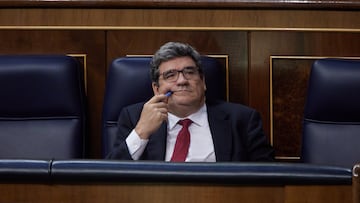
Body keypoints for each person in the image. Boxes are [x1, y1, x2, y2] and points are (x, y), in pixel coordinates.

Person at [107, 42, 274, 162]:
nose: (182, 81)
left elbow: (268, 177)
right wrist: (141, 131)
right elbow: (110, 175)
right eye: (170, 75)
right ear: (156, 89)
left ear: (203, 82)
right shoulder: (134, 117)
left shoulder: (242, 119)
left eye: (190, 72)